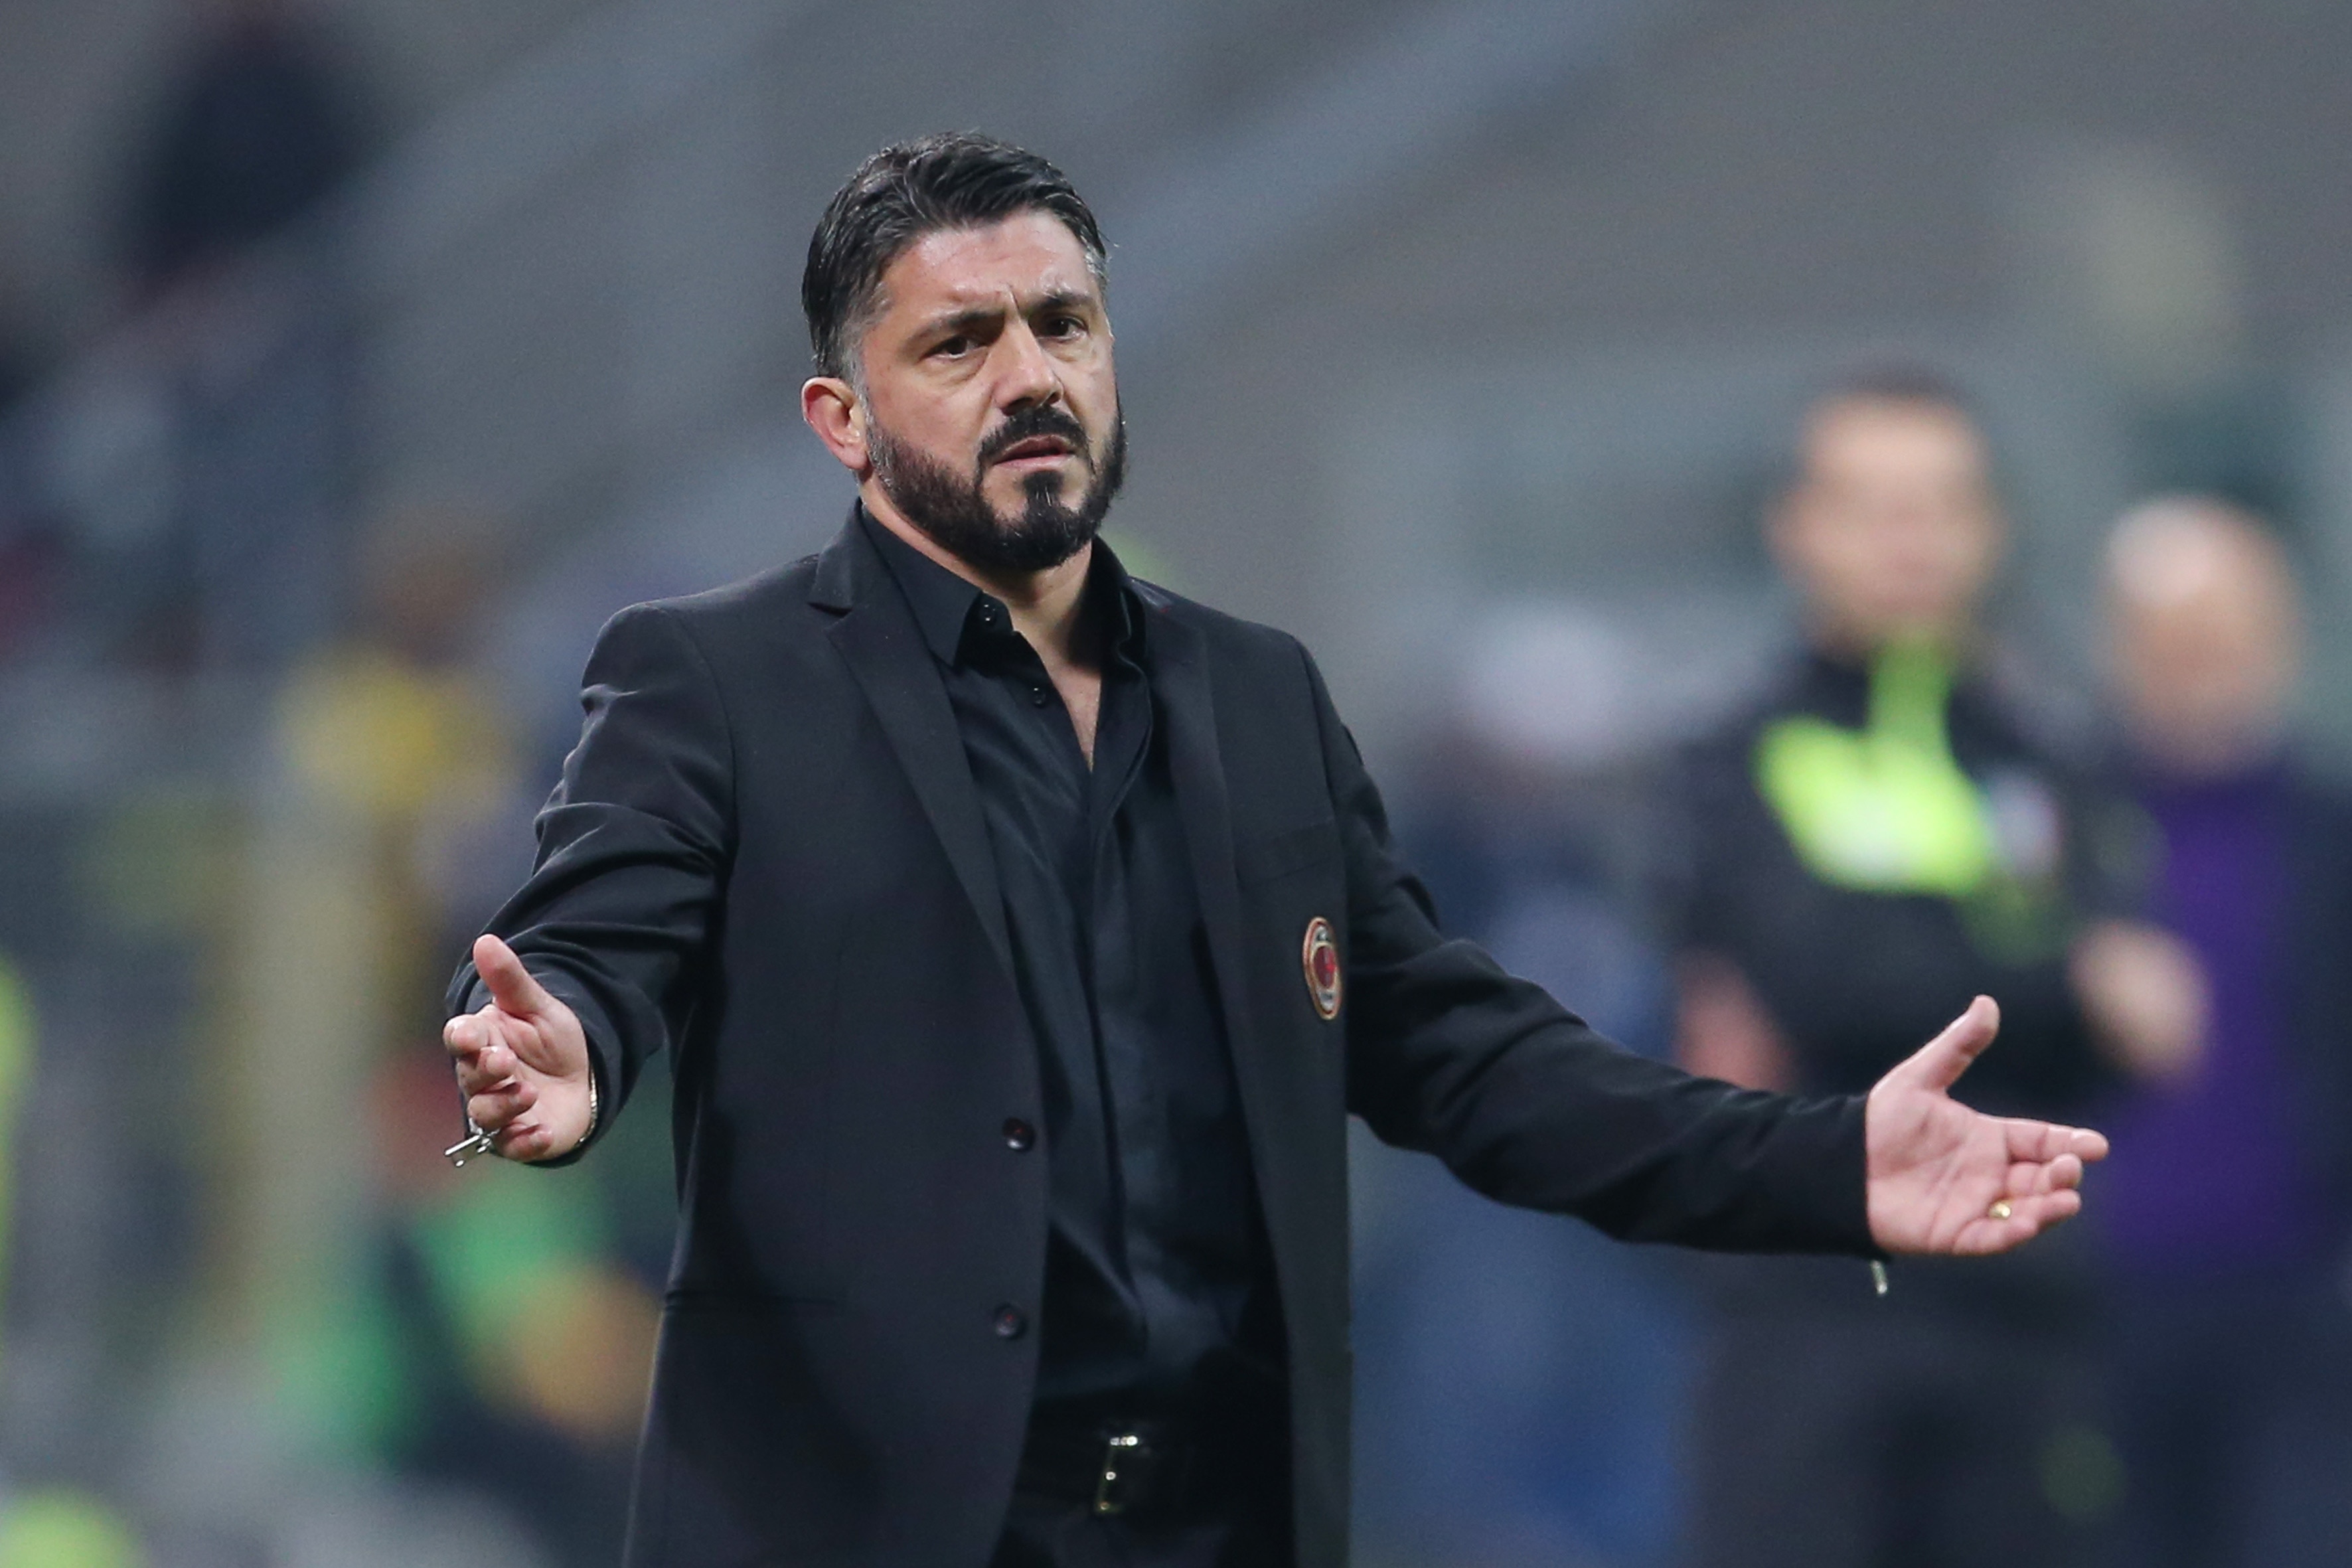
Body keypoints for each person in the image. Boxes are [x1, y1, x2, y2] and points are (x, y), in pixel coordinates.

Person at [442, 137, 2107, 1568]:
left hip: (1214, 1518)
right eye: (958, 342)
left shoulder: (1253, 695)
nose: (1030, 375)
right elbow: (599, 926)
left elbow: (1466, 1054)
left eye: (1063, 323)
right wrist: (563, 1038)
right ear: (841, 415)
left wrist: (1823, 1163)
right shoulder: (720, 678)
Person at [1660, 369, 2190, 1568]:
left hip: (2024, 1311)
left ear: (1992, 527)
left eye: (1943, 503)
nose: (1911, 539)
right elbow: (1822, 979)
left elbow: (2138, 1031)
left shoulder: (2053, 750)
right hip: (1802, 1301)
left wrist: (1936, 960)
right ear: (1797, 526)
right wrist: (2061, 972)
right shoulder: (1733, 746)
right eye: (1871, 505)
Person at [2096, 497, 2352, 1567]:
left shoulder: (2329, 833)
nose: (2201, 664)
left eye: (2225, 632)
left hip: (2298, 1292)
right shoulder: (2059, 837)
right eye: (2173, 638)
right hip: (2099, 1305)